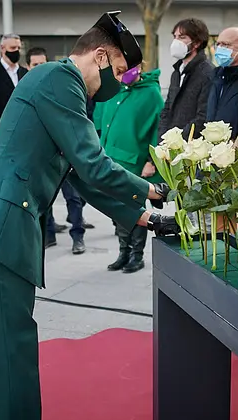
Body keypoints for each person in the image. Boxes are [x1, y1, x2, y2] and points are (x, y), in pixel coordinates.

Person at [0, 12, 179, 420]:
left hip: (0, 226)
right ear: (101, 56)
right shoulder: (60, 79)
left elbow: (79, 175)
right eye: (119, 71)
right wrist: (155, 190)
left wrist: (145, 217)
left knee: (12, 348)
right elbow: (93, 164)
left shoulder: (58, 84)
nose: (117, 82)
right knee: (8, 351)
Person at [94, 62, 164, 272]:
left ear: (139, 67)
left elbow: (158, 128)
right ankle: (123, 252)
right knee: (118, 210)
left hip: (135, 162)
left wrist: (152, 161)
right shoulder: (112, 89)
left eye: (127, 68)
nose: (123, 73)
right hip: (109, 159)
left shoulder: (151, 94)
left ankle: (137, 255)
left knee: (134, 208)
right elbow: (99, 122)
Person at [23, 46, 89, 254]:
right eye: (35, 64)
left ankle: (78, 237)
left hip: (66, 154)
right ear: (28, 66)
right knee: (45, 198)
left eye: (42, 63)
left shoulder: (60, 85)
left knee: (74, 198)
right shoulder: (26, 90)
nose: (39, 67)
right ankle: (48, 235)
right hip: (43, 157)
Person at [158, 18, 214, 141]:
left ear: (197, 42)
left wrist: (178, 141)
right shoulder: (177, 72)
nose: (176, 42)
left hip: (191, 145)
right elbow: (167, 110)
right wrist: (163, 139)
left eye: (182, 37)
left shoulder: (207, 73)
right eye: (175, 37)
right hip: (170, 145)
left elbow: (203, 116)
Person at [206, 27, 238, 141]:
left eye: (225, 45)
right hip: (213, 144)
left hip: (236, 146)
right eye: (218, 44)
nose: (220, 49)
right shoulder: (215, 76)